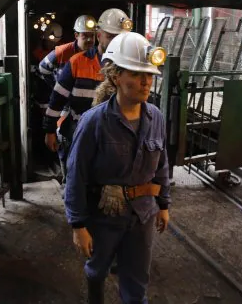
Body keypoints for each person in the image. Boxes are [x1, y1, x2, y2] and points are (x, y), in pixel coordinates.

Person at [64, 32, 170, 304]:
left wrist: (164, 204)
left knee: (136, 284)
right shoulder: (94, 122)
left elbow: (162, 163)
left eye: (149, 74)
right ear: (115, 77)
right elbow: (76, 175)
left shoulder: (155, 116)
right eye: (136, 74)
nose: (146, 81)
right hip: (105, 215)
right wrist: (78, 226)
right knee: (97, 271)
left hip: (143, 214)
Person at [43, 9, 133, 181]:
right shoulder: (77, 62)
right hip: (77, 132)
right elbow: (57, 99)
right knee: (75, 181)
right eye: (111, 37)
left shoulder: (128, 67)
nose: (117, 42)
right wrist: (49, 130)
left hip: (112, 137)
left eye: (120, 38)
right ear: (99, 36)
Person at [39, 14, 97, 89]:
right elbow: (43, 67)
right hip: (65, 99)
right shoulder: (63, 51)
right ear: (76, 35)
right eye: (85, 36)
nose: (89, 39)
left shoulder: (97, 54)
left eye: (92, 36)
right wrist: (56, 87)